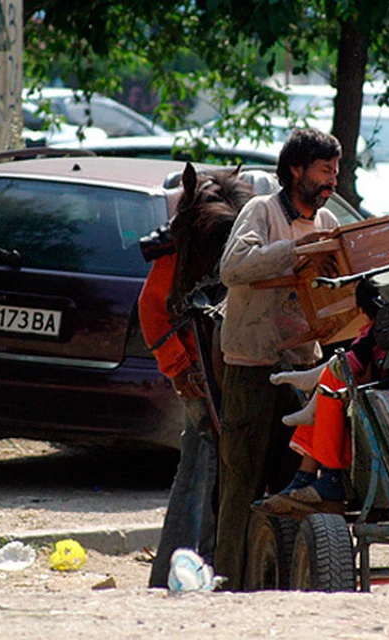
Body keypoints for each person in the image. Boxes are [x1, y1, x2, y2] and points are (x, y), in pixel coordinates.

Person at [214, 128, 343, 591]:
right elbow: (233, 268)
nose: (332, 179)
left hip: (302, 366)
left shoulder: (327, 221)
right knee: (241, 483)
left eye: (335, 171)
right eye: (324, 170)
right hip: (251, 363)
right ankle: (228, 582)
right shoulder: (261, 210)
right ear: (296, 170)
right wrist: (297, 253)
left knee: (292, 489)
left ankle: (282, 584)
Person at [255, 241, 389, 515]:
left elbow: (361, 359)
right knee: (335, 381)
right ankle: (306, 478)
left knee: (333, 384)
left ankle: (325, 478)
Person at [138, 223, 218, 589]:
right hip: (199, 376)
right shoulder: (179, 253)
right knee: (200, 471)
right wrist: (181, 368)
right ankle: (186, 570)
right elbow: (152, 309)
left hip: (217, 371)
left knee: (206, 472)